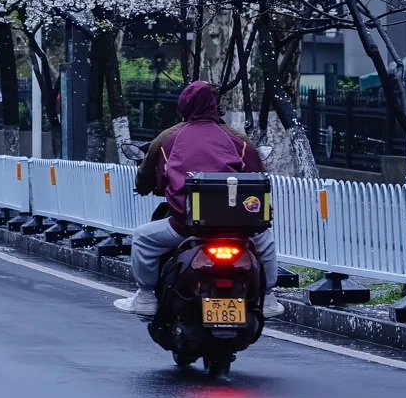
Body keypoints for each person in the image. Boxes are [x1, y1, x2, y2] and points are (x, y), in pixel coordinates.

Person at [113, 79, 282, 320]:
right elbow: (257, 177)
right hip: (241, 227)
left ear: (183, 105)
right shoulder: (239, 139)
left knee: (142, 238)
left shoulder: (167, 139)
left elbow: (147, 178)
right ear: (217, 106)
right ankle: (269, 299)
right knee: (266, 241)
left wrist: (146, 187)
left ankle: (146, 297)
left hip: (185, 225)